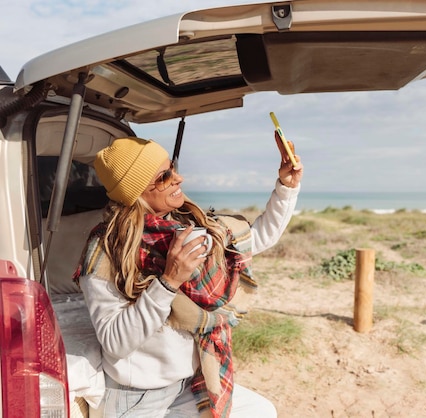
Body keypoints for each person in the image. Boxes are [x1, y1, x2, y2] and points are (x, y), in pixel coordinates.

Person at [73, 134, 303, 417]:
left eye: (174, 168)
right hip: (137, 399)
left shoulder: (187, 224)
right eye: (165, 175)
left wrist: (286, 189)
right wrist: (168, 281)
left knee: (261, 410)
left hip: (190, 383)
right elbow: (116, 342)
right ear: (137, 190)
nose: (178, 179)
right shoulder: (107, 250)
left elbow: (255, 239)